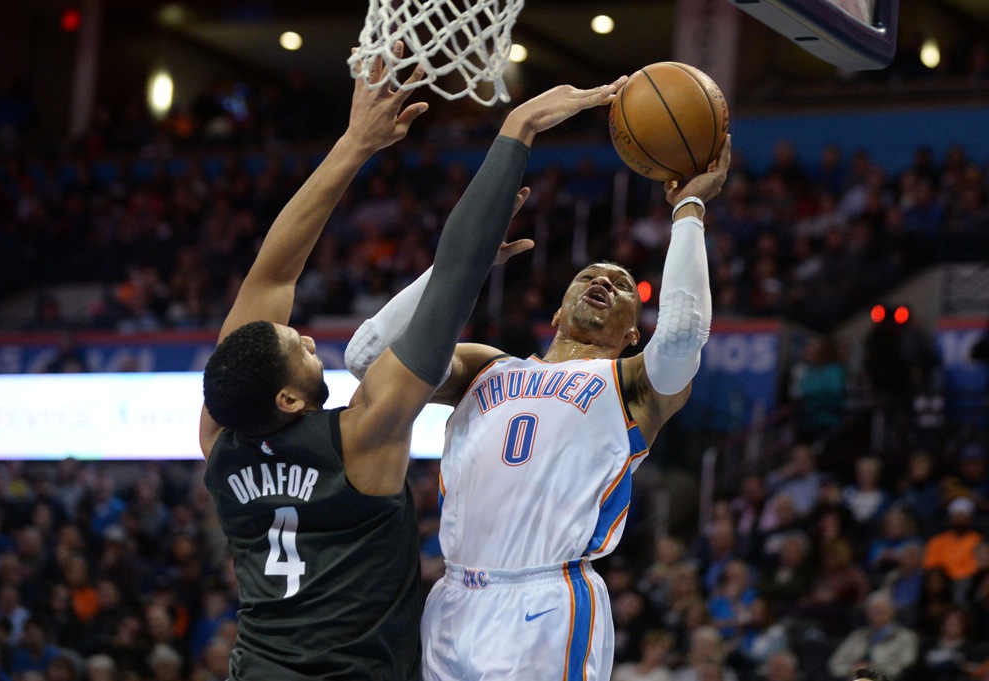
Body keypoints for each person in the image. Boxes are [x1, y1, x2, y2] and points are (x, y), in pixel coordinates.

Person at [198, 42, 626, 680]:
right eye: (300, 350)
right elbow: (449, 278)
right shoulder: (363, 435)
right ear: (288, 399)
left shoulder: (219, 440)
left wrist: (356, 145)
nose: (310, 341)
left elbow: (271, 276)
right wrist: (517, 128)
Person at [346, 132, 731, 678]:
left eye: (621, 287)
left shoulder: (631, 383)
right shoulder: (487, 367)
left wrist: (688, 210)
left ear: (631, 334)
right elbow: (368, 358)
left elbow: (684, 333)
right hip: (452, 597)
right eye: (589, 277)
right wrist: (461, 264)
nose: (603, 282)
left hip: (547, 599)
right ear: (555, 313)